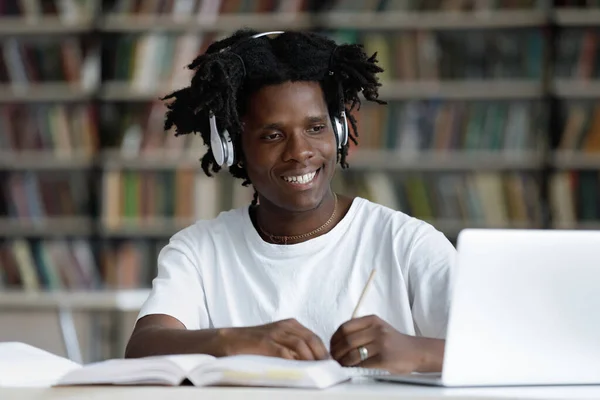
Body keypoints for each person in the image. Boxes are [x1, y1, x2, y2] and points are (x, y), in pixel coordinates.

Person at [124, 29, 456, 374]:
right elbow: (142, 348)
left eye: (315, 128)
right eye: (273, 135)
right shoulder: (199, 250)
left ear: (338, 131)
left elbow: (504, 349)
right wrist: (230, 341)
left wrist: (419, 351)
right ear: (233, 148)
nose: (300, 152)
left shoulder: (406, 243)